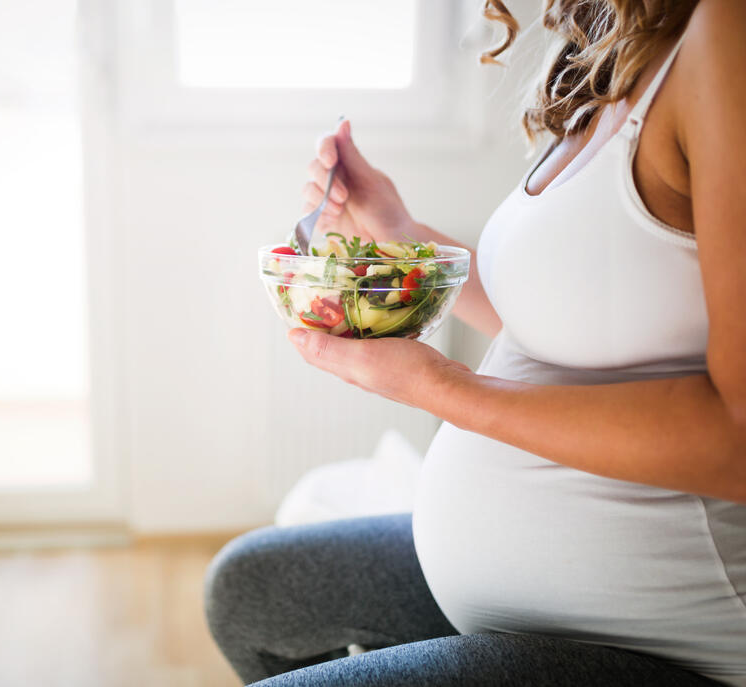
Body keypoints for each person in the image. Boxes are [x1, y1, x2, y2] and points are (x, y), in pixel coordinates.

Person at [204, 0, 746, 685]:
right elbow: (558, 313)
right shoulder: (621, 44)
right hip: (533, 601)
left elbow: (739, 436)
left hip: (663, 641)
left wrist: (438, 386)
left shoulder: (726, 34)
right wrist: (396, 225)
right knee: (249, 593)